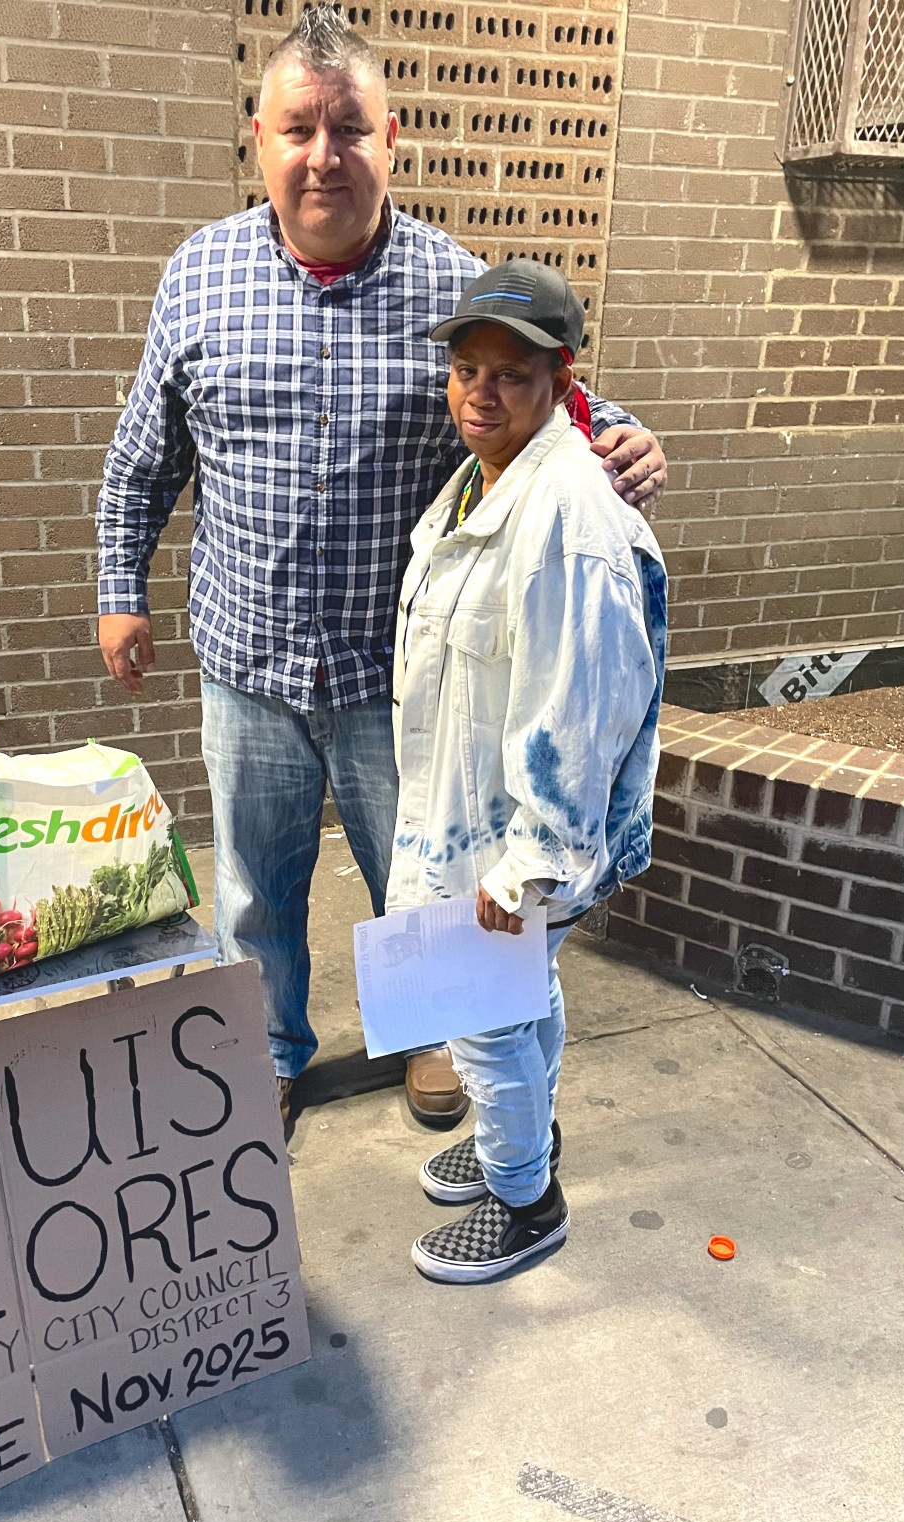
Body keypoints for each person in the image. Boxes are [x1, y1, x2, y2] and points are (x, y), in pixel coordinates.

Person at [96, 4, 668, 1128]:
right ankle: (268, 1042)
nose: (322, 156)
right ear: (257, 137)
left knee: (431, 880)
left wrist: (630, 442)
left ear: (388, 137)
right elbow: (139, 457)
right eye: (297, 129)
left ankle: (430, 1033)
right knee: (255, 890)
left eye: (347, 128)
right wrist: (121, 590)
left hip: (397, 678)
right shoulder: (196, 278)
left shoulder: (451, 288)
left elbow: (551, 403)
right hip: (244, 661)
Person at [386, 259, 667, 1283]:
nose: (480, 394)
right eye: (465, 370)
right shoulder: (480, 482)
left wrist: (530, 864)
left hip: (509, 841)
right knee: (519, 998)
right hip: (461, 812)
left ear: (560, 377)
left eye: (509, 374)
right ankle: (527, 1144)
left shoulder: (565, 519)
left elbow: (581, 708)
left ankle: (523, 1202)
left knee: (483, 1017)